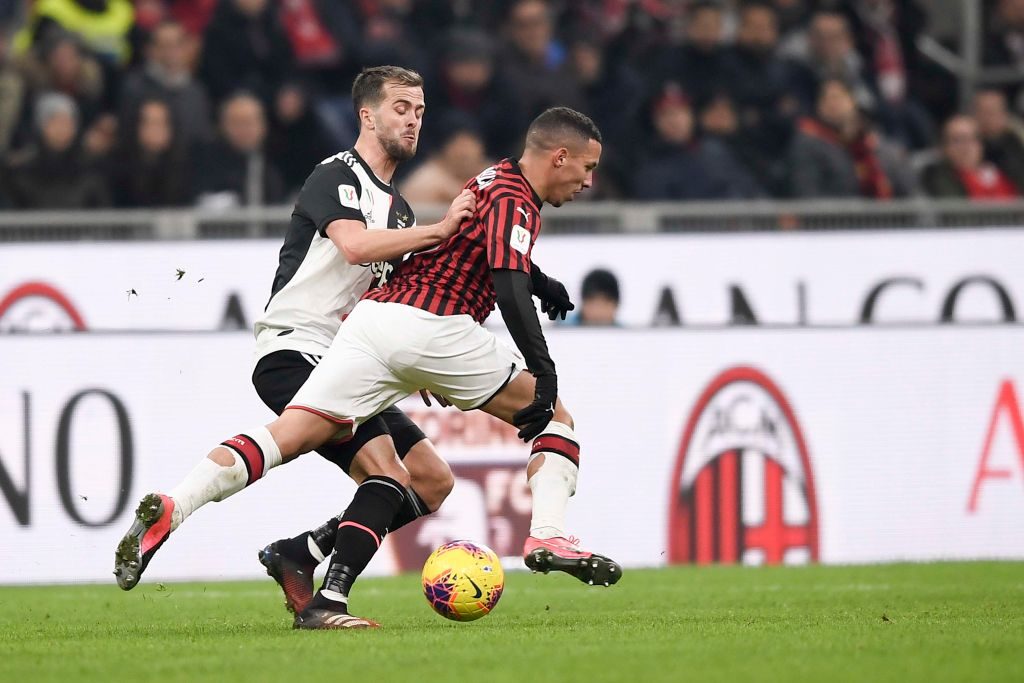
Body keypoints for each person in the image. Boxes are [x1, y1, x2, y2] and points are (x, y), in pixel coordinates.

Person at [112, 67, 575, 624]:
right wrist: (440, 228)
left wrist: (426, 360)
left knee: (431, 479)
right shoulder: (337, 174)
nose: (413, 119)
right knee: (385, 475)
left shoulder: (400, 210)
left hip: (358, 358)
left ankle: (295, 551)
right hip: (296, 348)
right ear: (367, 116)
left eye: (421, 111)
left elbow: (399, 292)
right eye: (401, 108)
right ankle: (317, 594)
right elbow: (354, 247)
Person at [921, 115, 1019, 200]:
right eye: (957, 140)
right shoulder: (937, 176)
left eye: (972, 138)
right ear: (944, 147)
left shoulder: (1003, 170)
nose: (966, 146)